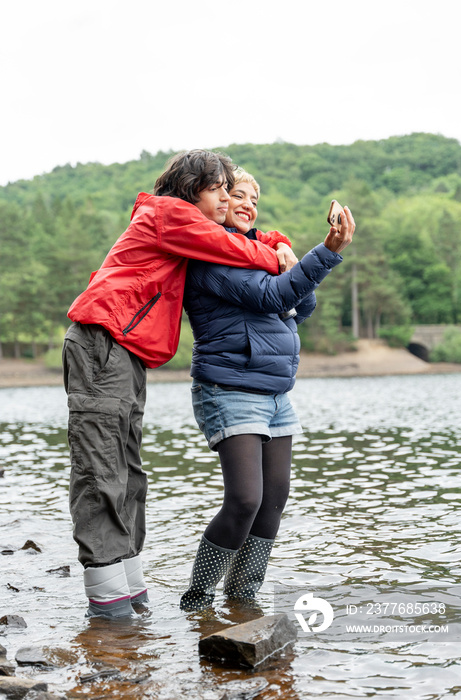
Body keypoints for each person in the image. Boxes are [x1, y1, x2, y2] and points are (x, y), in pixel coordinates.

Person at [62, 150, 296, 619]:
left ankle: (128, 596)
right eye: (219, 190)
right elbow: (235, 246)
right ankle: (109, 604)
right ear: (193, 187)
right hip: (103, 340)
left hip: (124, 349)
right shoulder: (170, 213)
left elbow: (243, 232)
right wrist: (279, 253)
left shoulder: (179, 222)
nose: (226, 199)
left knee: (126, 471)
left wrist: (276, 239)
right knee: (102, 469)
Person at [180, 169, 355, 611]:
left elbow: (304, 303)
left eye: (254, 199)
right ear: (218, 202)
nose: (247, 204)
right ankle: (197, 600)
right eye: (237, 195)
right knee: (245, 499)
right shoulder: (209, 254)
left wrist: (294, 263)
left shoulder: (260, 248)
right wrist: (325, 253)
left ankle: (242, 599)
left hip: (276, 393)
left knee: (273, 500)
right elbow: (277, 299)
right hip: (229, 387)